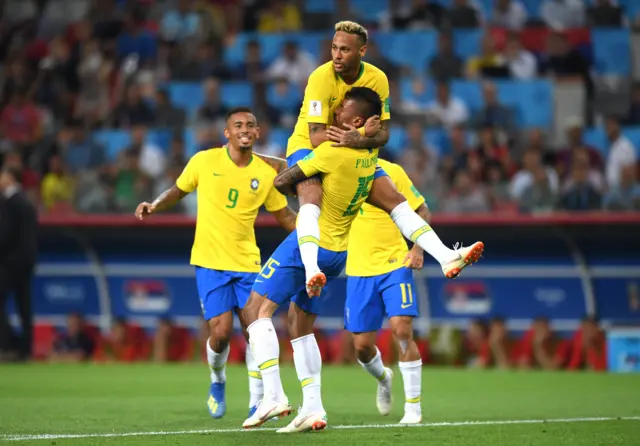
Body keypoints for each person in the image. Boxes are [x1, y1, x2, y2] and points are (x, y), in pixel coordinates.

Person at [286, 20, 483, 297]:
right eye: (333, 48)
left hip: (354, 149)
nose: (337, 55)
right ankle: (311, 270)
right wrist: (357, 134)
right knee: (311, 194)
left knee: (396, 202)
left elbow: (384, 134)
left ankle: (446, 256)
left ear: (362, 51)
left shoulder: (377, 79)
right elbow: (317, 135)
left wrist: (359, 139)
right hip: (308, 147)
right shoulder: (320, 78)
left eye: (344, 49)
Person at [134, 108, 297, 419]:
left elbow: (285, 216)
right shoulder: (204, 161)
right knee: (220, 333)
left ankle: (257, 400)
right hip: (210, 262)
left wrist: (316, 234)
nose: (244, 130)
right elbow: (178, 191)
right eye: (238, 125)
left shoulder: (265, 174)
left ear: (258, 133)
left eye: (250, 125)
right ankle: (218, 380)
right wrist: (154, 205)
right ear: (227, 133)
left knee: (255, 329)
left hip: (248, 264)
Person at [242, 87, 382, 433]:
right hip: (338, 252)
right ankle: (314, 408)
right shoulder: (370, 156)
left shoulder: (332, 152)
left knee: (254, 310)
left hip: (311, 242)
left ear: (357, 122)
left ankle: (272, 395)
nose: (333, 119)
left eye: (342, 114)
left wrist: (292, 171)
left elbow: (282, 181)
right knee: (299, 326)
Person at [345, 158, 429, 425]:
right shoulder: (339, 170)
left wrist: (416, 248)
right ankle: (383, 378)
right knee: (361, 347)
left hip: (395, 263)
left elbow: (422, 210)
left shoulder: (392, 171)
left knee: (402, 330)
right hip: (358, 270)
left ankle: (413, 408)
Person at [0, 165, 38, 361]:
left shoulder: (11, 202)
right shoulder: (26, 201)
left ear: (10, 178)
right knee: (24, 306)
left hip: (10, 262)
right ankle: (25, 349)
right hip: (26, 262)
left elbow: (5, 234)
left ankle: (6, 345)